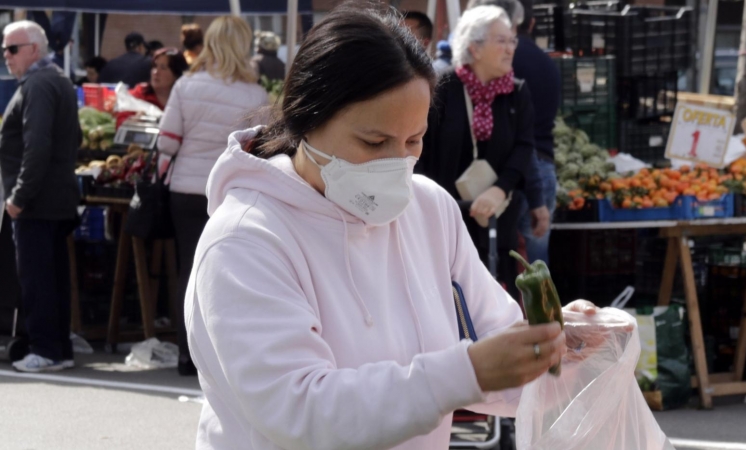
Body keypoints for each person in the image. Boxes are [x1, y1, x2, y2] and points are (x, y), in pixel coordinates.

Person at [185, 5, 595, 448]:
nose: (396, 162)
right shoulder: (246, 239)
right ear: (307, 119)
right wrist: (464, 372)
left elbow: (497, 346)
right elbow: (297, 411)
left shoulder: (430, 209)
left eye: (414, 140)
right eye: (374, 142)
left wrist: (563, 349)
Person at [158, 15, 268, 377]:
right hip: (231, 193)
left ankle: (186, 355)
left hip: (186, 191)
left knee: (187, 270)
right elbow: (259, 150)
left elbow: (166, 141)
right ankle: (220, 357)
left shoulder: (187, 85)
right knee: (228, 274)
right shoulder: (255, 94)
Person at [419, 6, 544, 301]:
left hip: (499, 219)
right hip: (446, 217)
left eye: (512, 40)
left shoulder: (517, 92)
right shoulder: (441, 89)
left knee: (499, 297)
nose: (510, 48)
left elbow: (525, 147)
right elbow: (420, 152)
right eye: (501, 40)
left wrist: (500, 190)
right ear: (474, 48)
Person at [0, 21, 81, 373]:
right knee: (52, 277)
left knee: (37, 279)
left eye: (12, 49)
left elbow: (38, 147)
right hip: (53, 197)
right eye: (4, 49)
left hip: (37, 201)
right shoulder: (56, 78)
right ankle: (57, 347)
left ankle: (45, 347)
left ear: (33, 49)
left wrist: (18, 197)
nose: (6, 56)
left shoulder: (39, 83)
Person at [468, 0, 559, 264]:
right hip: (541, 169)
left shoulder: (500, 70)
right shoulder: (547, 63)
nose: (508, 49)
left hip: (513, 172)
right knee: (536, 268)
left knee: (504, 261)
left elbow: (521, 141)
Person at [116, 48, 188, 128]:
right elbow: (120, 124)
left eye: (163, 68)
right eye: (154, 66)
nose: (156, 72)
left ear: (176, 75)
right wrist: (133, 122)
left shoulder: (186, 101)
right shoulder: (139, 95)